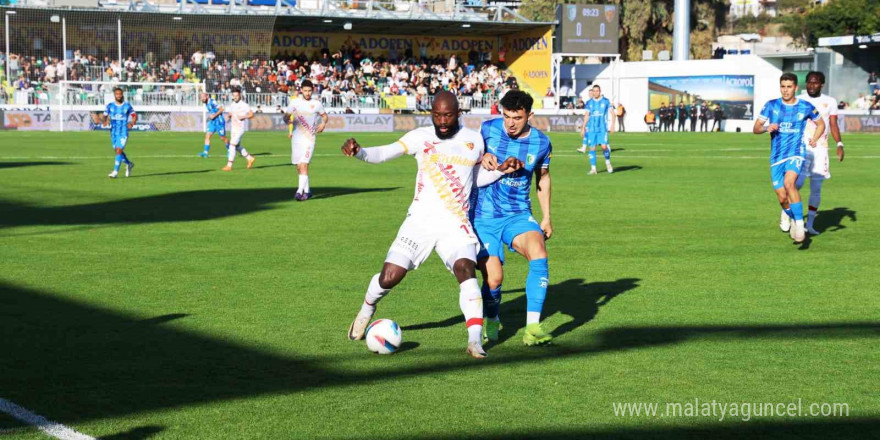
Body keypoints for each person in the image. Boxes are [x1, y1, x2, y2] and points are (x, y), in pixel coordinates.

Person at [343, 91, 523, 359]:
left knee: (466, 271)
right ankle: (367, 308)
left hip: (456, 223)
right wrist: (360, 152)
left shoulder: (474, 140)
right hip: (420, 221)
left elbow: (476, 179)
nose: (441, 121)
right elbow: (384, 153)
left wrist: (501, 169)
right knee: (390, 276)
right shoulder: (420, 136)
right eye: (436, 115)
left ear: (458, 113)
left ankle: (474, 340)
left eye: (447, 115)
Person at [475, 90, 554, 346]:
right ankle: (493, 318)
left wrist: (547, 217)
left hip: (518, 214)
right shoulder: (487, 130)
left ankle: (532, 327)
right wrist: (480, 157)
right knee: (494, 278)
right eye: (506, 116)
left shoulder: (541, 143)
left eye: (517, 118)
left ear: (529, 115)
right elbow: (464, 159)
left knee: (539, 252)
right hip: (483, 216)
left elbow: (543, 177)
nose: (510, 123)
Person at [753, 72, 825, 244]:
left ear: (795, 88)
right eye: (783, 87)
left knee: (790, 184)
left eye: (789, 87)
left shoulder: (805, 106)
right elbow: (756, 128)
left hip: (796, 152)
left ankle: (800, 225)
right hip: (776, 156)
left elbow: (821, 123)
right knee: (781, 197)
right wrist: (766, 128)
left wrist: (814, 139)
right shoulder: (771, 105)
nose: (785, 90)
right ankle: (792, 217)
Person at [793, 71, 845, 236]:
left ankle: (810, 224)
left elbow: (834, 124)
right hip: (801, 148)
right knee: (796, 184)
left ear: (822, 84)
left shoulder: (830, 101)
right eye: (809, 82)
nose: (811, 85)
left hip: (820, 149)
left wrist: (839, 143)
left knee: (816, 189)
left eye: (815, 83)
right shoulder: (799, 99)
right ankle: (789, 215)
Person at [285, 80, 328, 201]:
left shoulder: (317, 104)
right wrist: (287, 121)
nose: (308, 93)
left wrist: (323, 123)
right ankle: (308, 191)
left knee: (304, 164)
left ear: (312, 90)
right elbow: (286, 116)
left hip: (310, 139)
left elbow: (325, 116)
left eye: (310, 91)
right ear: (301, 90)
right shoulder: (294, 103)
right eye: (305, 91)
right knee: (299, 166)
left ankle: (299, 192)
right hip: (296, 139)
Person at [102, 87, 137, 178]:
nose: (118, 95)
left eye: (120, 94)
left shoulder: (127, 106)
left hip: (123, 132)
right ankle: (129, 164)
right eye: (116, 94)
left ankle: (115, 172)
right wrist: (105, 121)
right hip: (113, 132)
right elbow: (104, 116)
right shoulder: (110, 106)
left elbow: (134, 115)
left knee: (118, 150)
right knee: (118, 151)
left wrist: (132, 123)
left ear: (122, 95)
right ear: (114, 95)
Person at [580, 85, 614, 174]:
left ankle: (608, 162)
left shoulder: (605, 101)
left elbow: (613, 113)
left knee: (604, 147)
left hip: (602, 129)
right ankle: (593, 169)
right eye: (594, 91)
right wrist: (583, 127)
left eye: (597, 91)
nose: (595, 92)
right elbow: (587, 115)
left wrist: (613, 125)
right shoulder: (589, 102)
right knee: (592, 148)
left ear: (600, 91)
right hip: (591, 129)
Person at [222, 87, 256, 171]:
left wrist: (244, 116)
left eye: (236, 95)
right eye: (234, 96)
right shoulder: (232, 104)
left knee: (232, 145)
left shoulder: (244, 105)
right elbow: (231, 113)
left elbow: (251, 114)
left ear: (239, 95)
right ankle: (250, 158)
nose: (235, 97)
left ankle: (229, 165)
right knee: (237, 146)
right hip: (233, 129)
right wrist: (228, 116)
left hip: (240, 129)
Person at [198, 92, 229, 158]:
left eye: (203, 98)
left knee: (223, 138)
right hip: (213, 122)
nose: (202, 99)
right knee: (207, 135)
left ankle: (230, 151)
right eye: (201, 98)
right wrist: (210, 117)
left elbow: (221, 109)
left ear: (206, 96)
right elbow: (212, 111)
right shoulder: (206, 103)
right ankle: (205, 153)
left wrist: (214, 115)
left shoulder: (213, 101)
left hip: (219, 122)